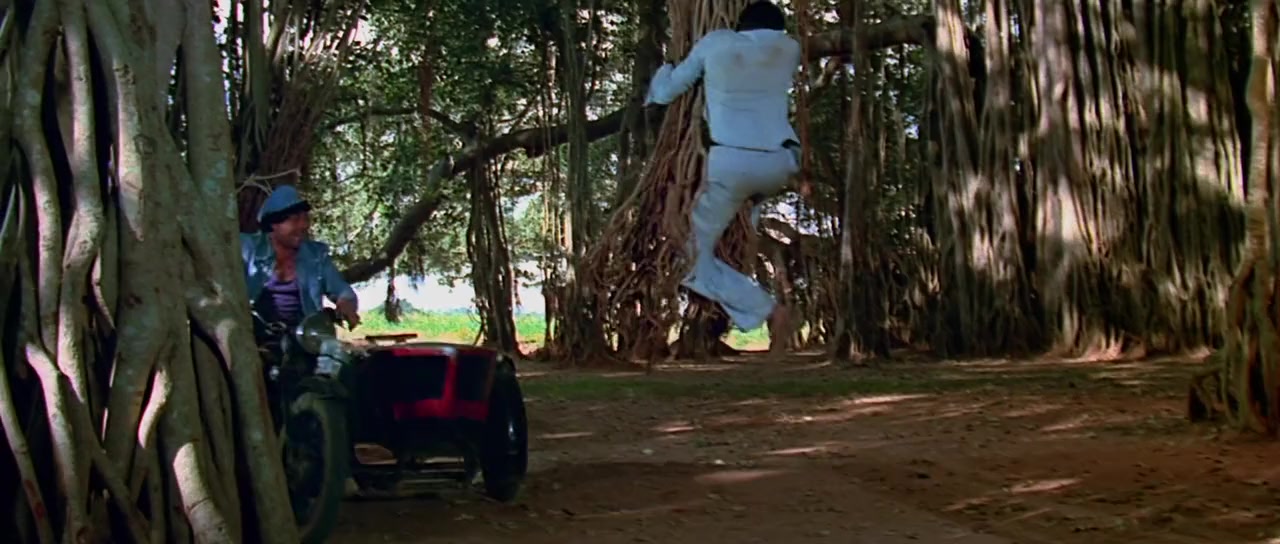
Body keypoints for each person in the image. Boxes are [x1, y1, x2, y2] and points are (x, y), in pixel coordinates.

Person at [643, 0, 801, 352]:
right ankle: (747, 234)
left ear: (739, 25)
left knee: (687, 257)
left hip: (733, 163)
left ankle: (766, 309)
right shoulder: (789, 49)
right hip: (781, 163)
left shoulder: (716, 42)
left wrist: (664, 69)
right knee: (746, 212)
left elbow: (666, 92)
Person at [241, 185, 361, 330]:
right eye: (295, 220)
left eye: (305, 218)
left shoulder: (316, 256)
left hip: (303, 337)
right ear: (274, 224)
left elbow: (343, 291)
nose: (304, 225)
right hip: (253, 335)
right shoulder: (247, 248)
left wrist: (346, 306)